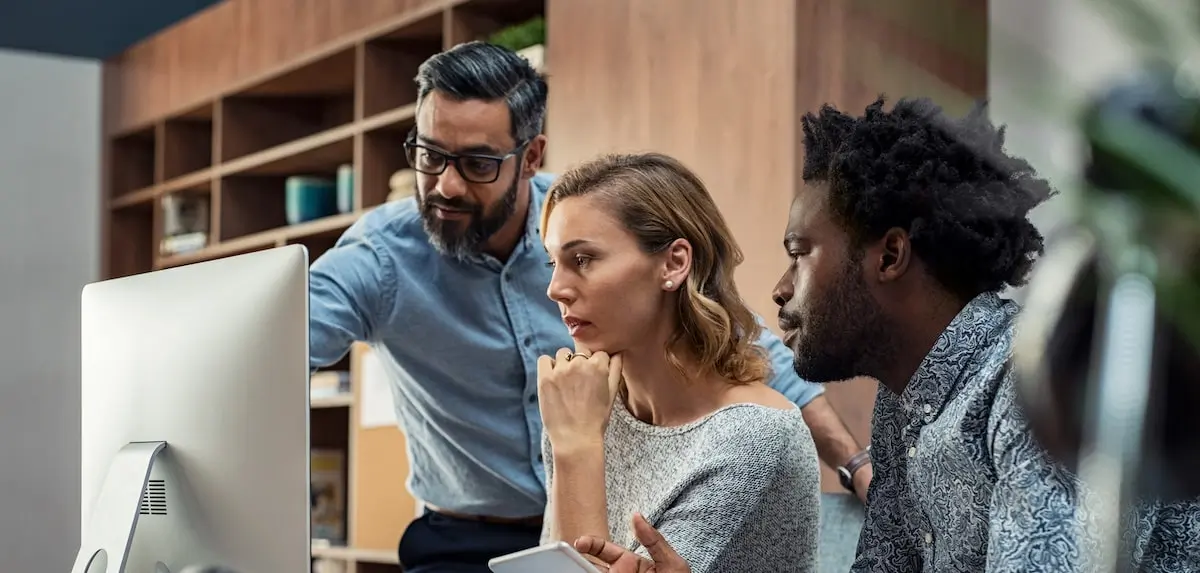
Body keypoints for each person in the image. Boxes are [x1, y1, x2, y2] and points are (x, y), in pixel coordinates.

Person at [307, 41, 868, 572]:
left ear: (530, 157)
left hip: (578, 496)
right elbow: (279, 346)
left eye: (478, 163)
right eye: (430, 156)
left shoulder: (588, 216)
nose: (446, 185)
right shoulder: (381, 258)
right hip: (465, 532)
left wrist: (855, 463)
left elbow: (744, 345)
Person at [576, 97, 1200, 572]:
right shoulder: (905, 405)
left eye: (801, 253)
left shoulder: (1030, 386)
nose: (780, 291)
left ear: (890, 254)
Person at [536, 153, 821, 572]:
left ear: (674, 263)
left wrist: (577, 447)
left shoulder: (755, 437)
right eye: (552, 262)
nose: (555, 288)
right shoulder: (585, 408)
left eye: (582, 260)